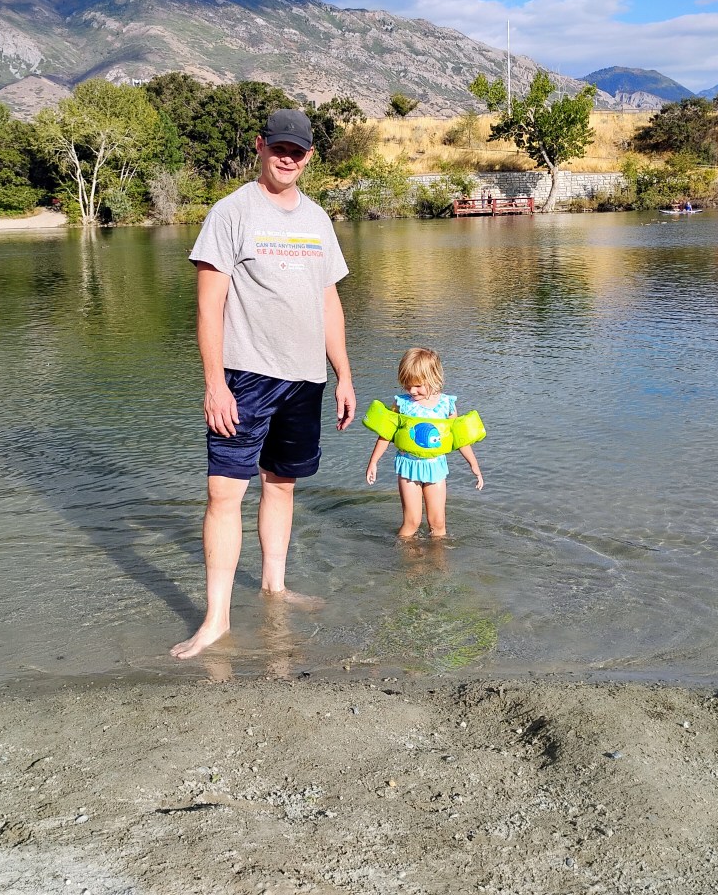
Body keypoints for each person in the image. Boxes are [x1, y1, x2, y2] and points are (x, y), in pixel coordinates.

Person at [170, 109, 356, 660]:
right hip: (244, 376)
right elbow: (209, 307)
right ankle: (216, 620)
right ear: (260, 146)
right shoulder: (231, 212)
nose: (287, 158)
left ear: (309, 156)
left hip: (306, 378)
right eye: (279, 148)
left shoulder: (318, 219)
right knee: (224, 492)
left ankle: (274, 586)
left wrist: (344, 375)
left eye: (297, 151)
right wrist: (214, 384)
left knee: (282, 484)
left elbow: (328, 301)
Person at [365, 347, 483, 538]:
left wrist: (474, 465)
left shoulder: (446, 404)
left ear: (434, 378)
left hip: (435, 467)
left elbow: (459, 437)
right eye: (407, 385)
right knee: (412, 522)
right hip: (409, 466)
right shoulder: (402, 404)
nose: (412, 391)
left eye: (418, 385)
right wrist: (373, 462)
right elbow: (386, 434)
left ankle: (437, 555)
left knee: (438, 523)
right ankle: (404, 555)